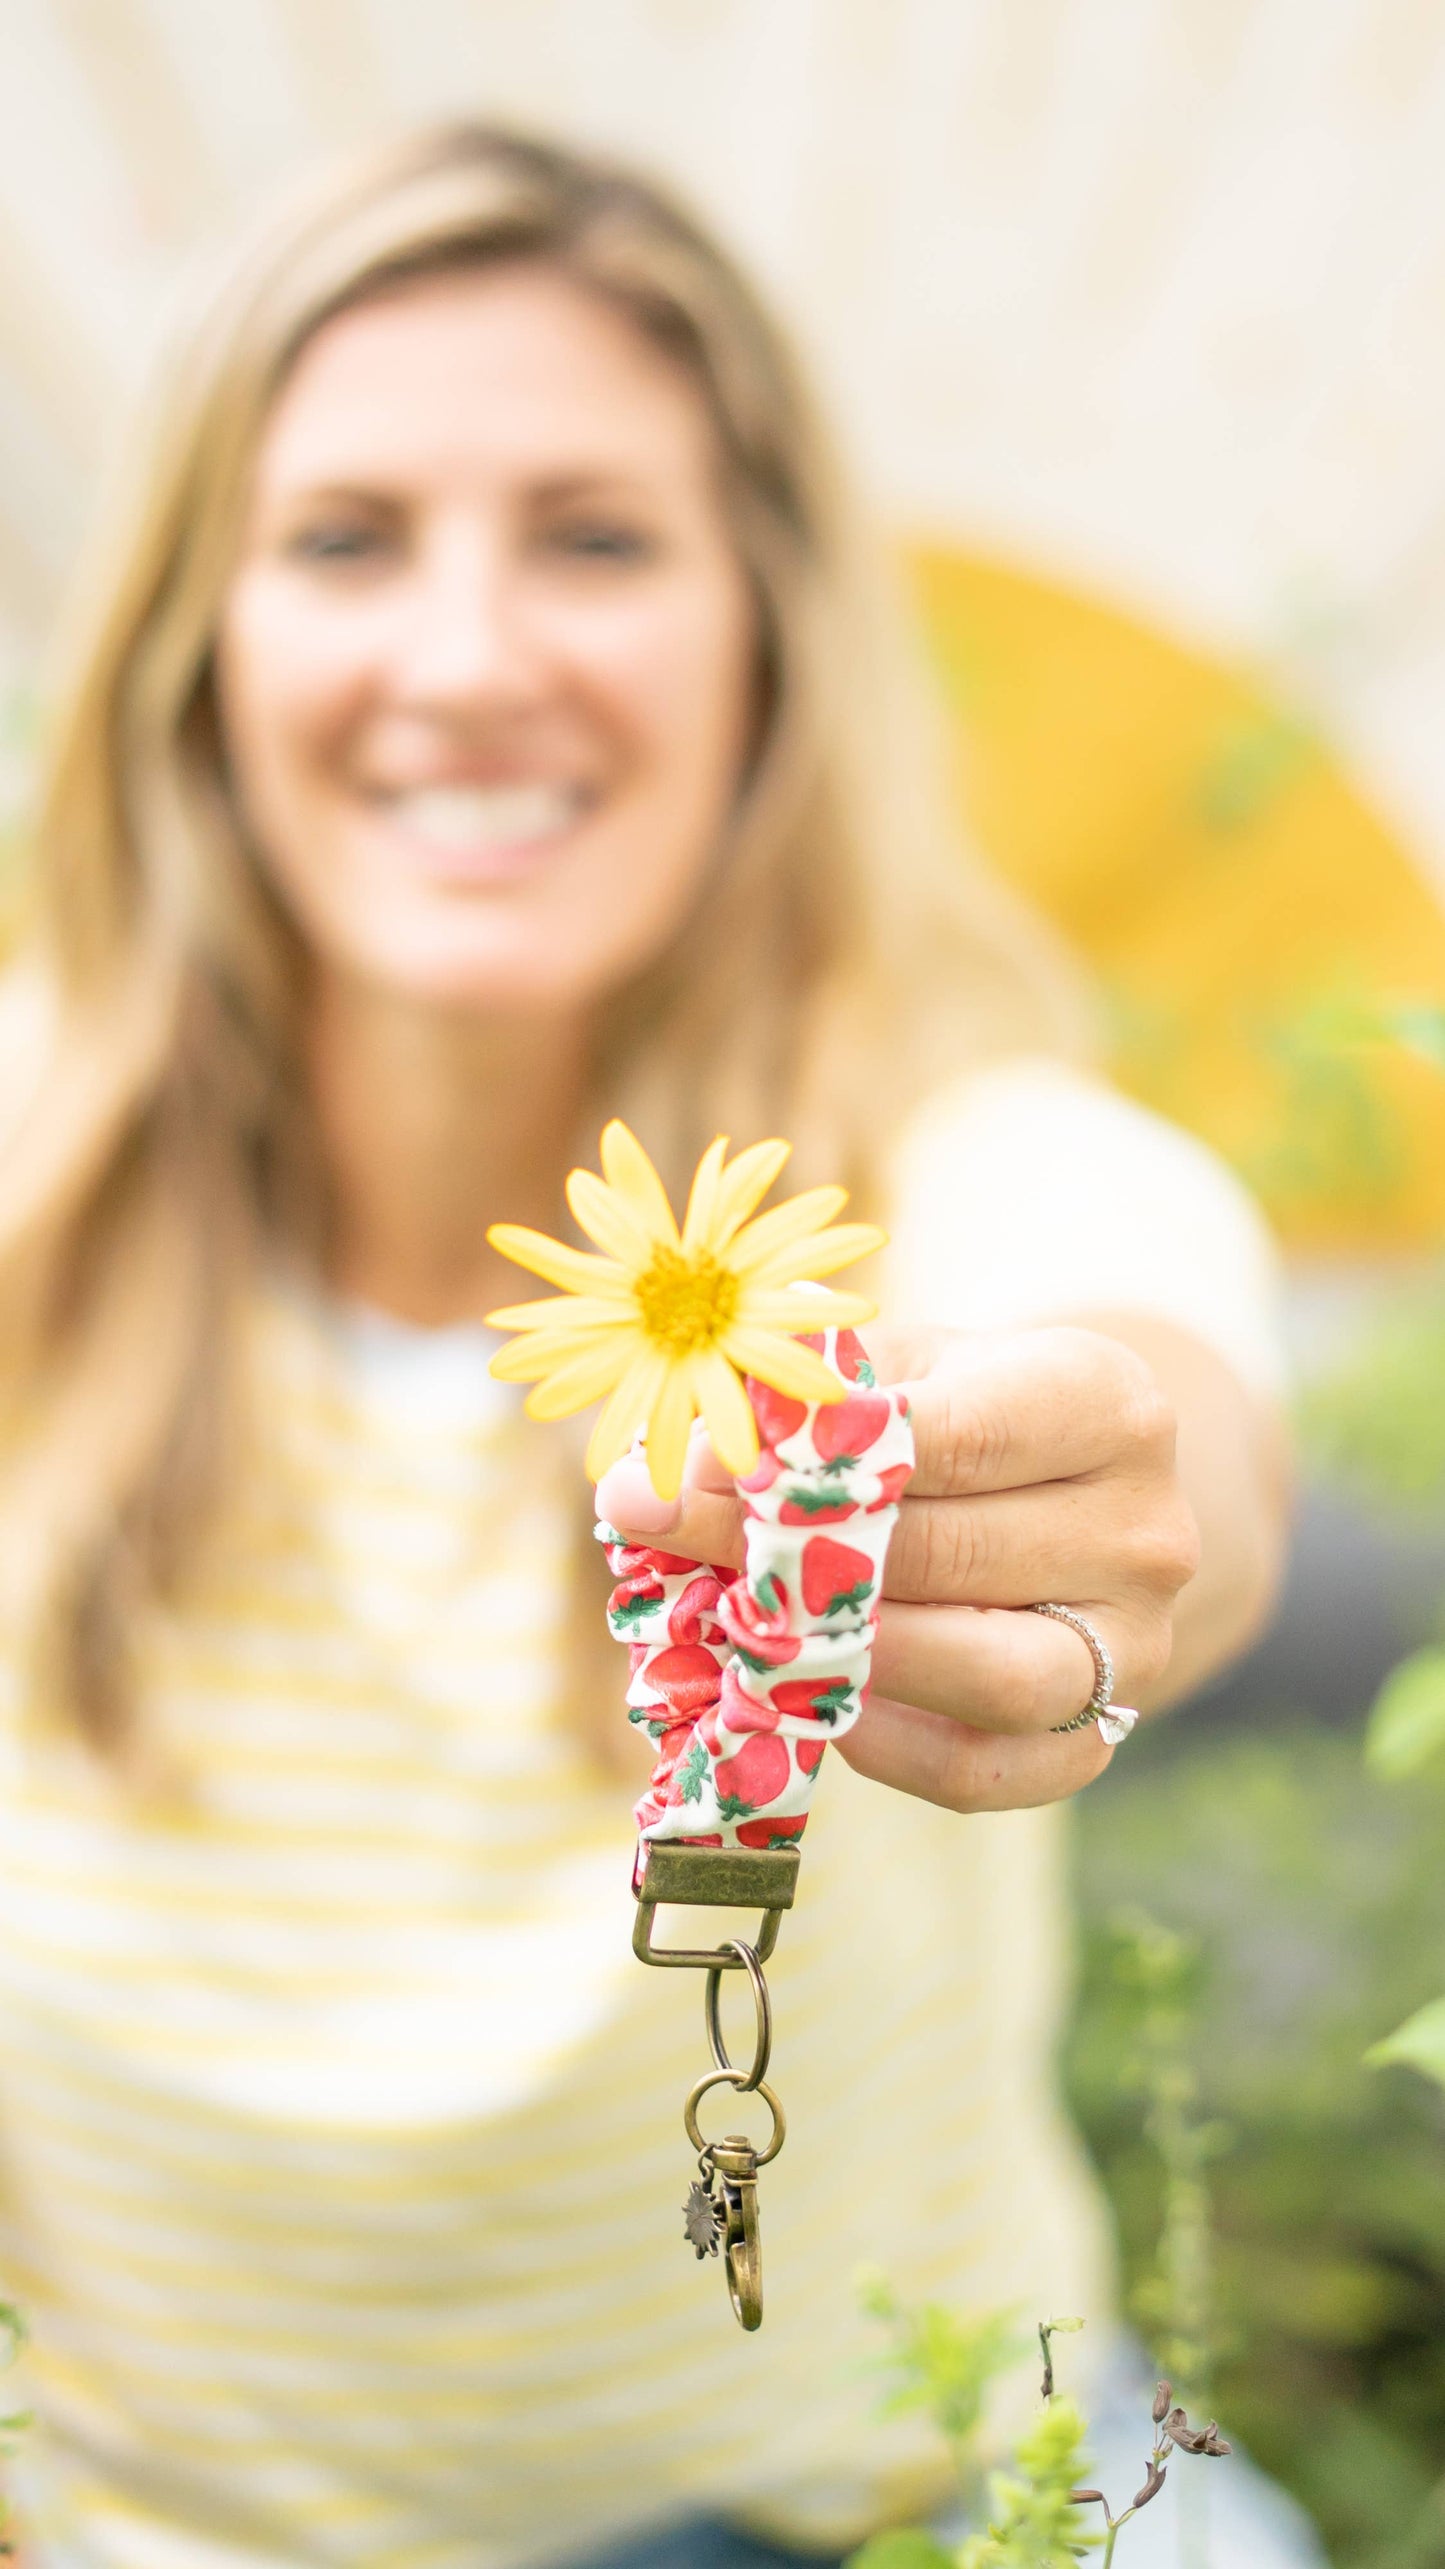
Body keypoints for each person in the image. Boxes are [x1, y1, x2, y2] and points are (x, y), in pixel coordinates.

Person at [0, 123, 1297, 2569]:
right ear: (200, 640)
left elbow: (1152, 1388)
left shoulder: (945, 1171)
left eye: (596, 538)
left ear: (763, 631)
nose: (471, 657)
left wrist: (1099, 1541)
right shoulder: (23, 1211)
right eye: (347, 539)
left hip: (921, 2511)